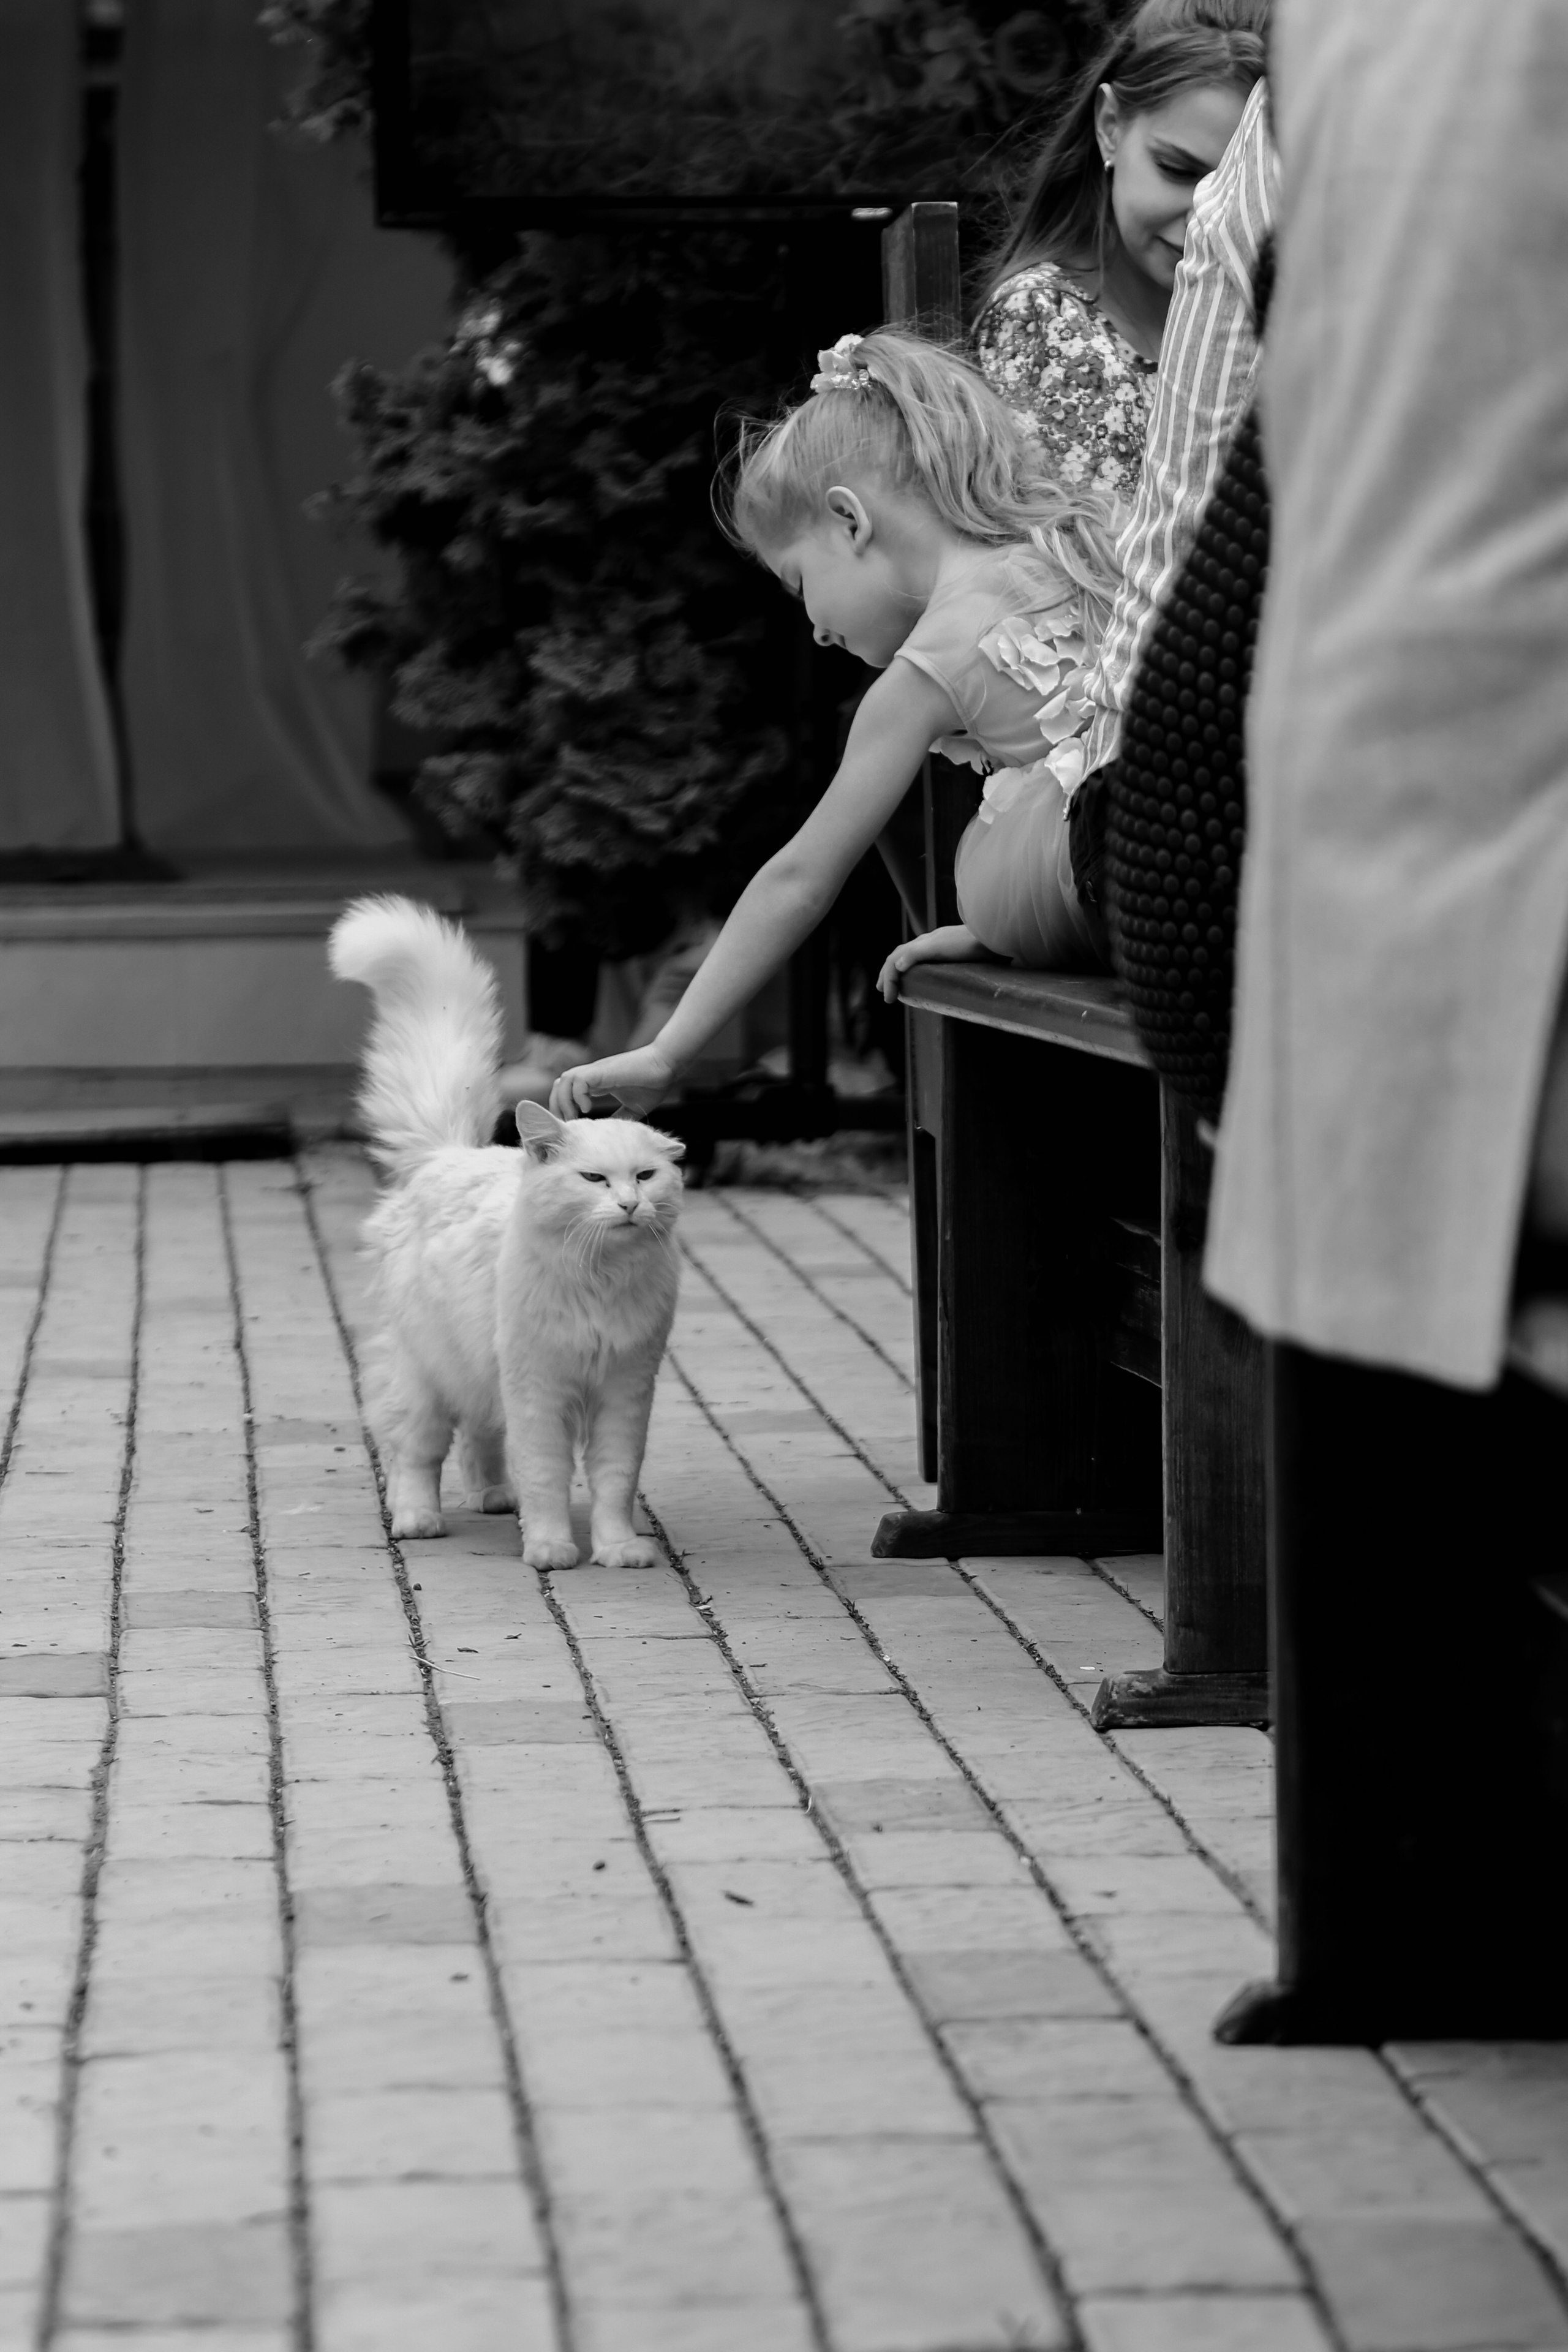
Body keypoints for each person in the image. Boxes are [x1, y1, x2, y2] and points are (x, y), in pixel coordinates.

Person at [1205, 0, 1568, 2040]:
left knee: (1406, 1348)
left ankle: (1406, 1924)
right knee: (1405, 1354)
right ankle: (1411, 1922)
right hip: (1402, 732)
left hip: (1391, 731)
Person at [548, 330, 1119, 1119]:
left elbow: (801, 878)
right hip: (1153, 836)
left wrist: (667, 1050)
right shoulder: (1075, 546)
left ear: (849, 522)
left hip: (1101, 865)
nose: (814, 629)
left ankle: (1017, 910)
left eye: (798, 583)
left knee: (989, 850)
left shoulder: (922, 670)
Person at [974, 0, 1268, 505]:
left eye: (1238, 190)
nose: (1206, 214)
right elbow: (1089, 567)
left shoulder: (1281, 321)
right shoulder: (1043, 321)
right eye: (1178, 170)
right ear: (1111, 125)